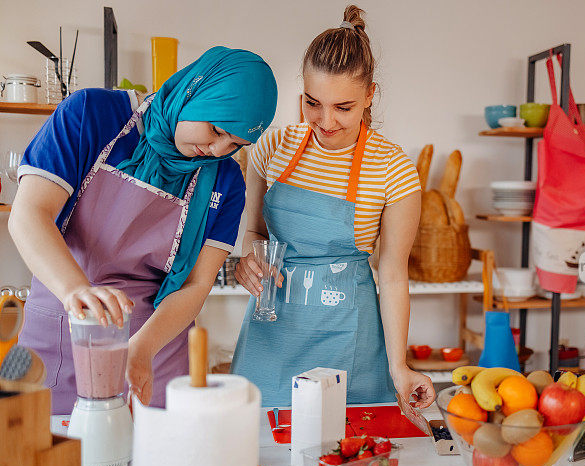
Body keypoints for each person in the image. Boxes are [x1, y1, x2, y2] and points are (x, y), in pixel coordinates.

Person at [10, 46, 278, 414]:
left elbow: (196, 285)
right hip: (63, 331)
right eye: (216, 129)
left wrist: (141, 349)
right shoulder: (91, 114)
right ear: (194, 91)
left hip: (153, 349)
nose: (217, 149)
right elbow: (29, 214)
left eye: (235, 144)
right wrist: (76, 291)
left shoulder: (226, 181)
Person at [231, 5, 435, 409]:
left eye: (343, 107)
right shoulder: (271, 147)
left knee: (346, 449)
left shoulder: (393, 167)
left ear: (369, 95)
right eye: (312, 102)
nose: (325, 121)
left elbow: (393, 275)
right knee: (258, 449)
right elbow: (253, 233)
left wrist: (400, 366)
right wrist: (248, 259)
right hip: (272, 332)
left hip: (348, 335)